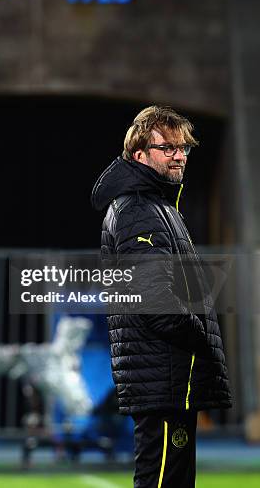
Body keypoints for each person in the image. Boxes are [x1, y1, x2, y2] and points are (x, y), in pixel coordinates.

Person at [91, 105, 232, 487]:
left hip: (167, 377)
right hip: (165, 376)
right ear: (139, 154)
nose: (179, 155)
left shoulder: (158, 206)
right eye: (167, 147)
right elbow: (155, 300)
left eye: (183, 147)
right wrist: (200, 341)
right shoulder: (138, 209)